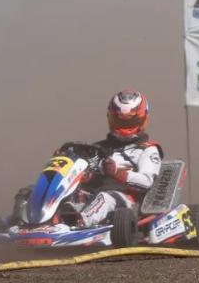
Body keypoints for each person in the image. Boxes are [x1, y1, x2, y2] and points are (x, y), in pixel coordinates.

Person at [12, 90, 162, 227]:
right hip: (92, 194)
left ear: (142, 120)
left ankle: (79, 223)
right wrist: (67, 165)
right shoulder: (98, 148)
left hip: (127, 200)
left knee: (105, 197)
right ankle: (23, 222)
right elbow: (87, 176)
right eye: (119, 121)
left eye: (129, 122)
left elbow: (147, 182)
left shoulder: (148, 150)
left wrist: (117, 172)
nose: (124, 126)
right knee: (32, 191)